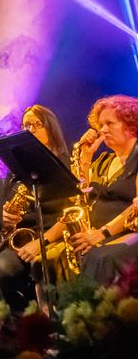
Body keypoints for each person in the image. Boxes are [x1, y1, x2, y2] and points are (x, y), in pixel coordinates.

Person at [33, 95, 138, 285]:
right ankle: (54, 313)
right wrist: (85, 158)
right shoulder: (104, 160)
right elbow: (80, 198)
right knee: (44, 261)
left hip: (119, 234)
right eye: (100, 124)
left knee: (98, 259)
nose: (103, 130)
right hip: (92, 233)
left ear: (131, 125)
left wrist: (101, 233)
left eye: (109, 123)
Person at [0, 104, 71, 301]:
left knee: (0, 268)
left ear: (51, 128)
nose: (30, 130)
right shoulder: (17, 169)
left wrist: (41, 243)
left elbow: (73, 213)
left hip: (47, 239)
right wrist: (4, 216)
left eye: (36, 125)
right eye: (25, 126)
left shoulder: (65, 165)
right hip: (17, 240)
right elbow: (3, 204)